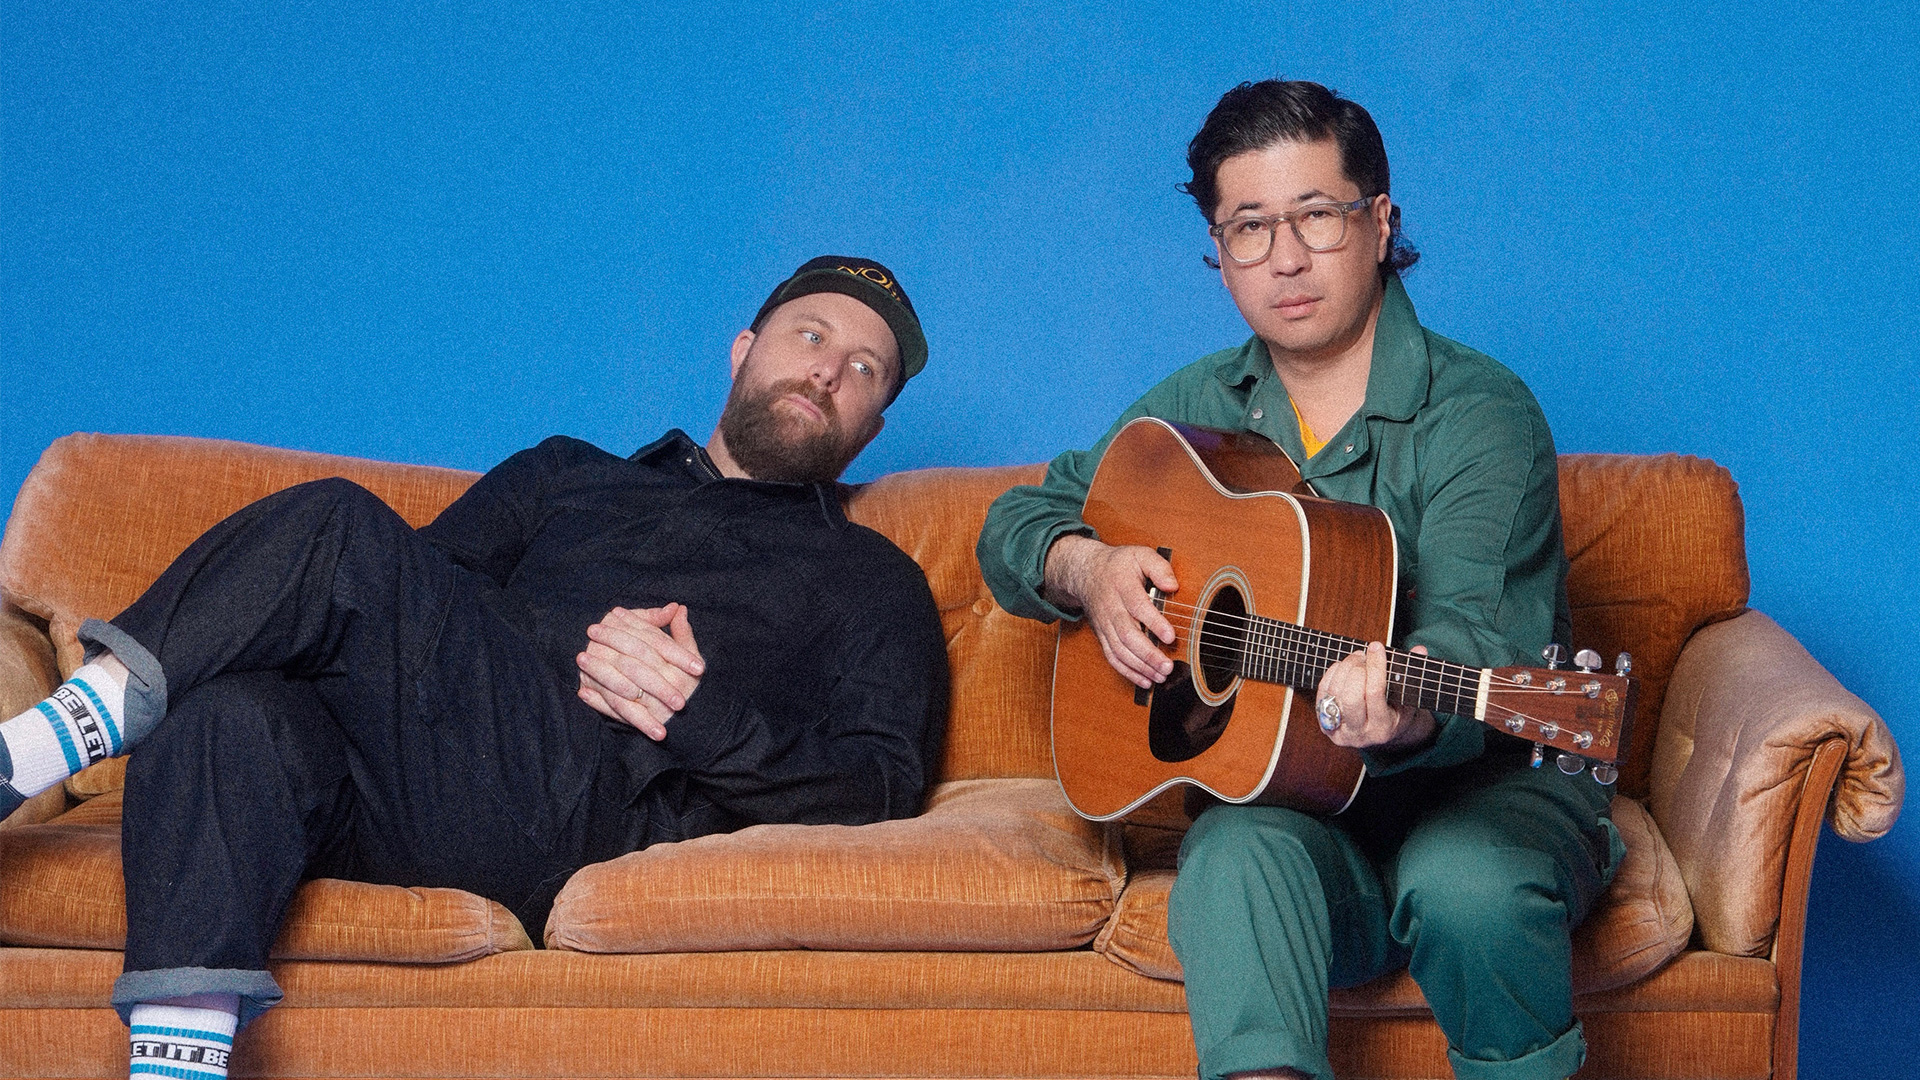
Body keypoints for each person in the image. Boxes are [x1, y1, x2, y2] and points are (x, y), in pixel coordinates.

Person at [0, 256, 949, 1080]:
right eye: (810, 334)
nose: (827, 370)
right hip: (413, 787)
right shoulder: (565, 474)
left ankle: (24, 758)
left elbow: (883, 786)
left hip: (586, 817)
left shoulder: (874, 579)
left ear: (870, 426)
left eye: (864, 368)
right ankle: (174, 1061)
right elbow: (393, 603)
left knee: (338, 523)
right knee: (227, 718)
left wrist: (696, 711)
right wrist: (526, 646)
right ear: (743, 350)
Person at [976, 82, 1620, 1080]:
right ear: (1217, 249)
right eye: (1248, 227)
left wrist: (1405, 706)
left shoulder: (1482, 412)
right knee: (1230, 860)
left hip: (1487, 797)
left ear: (1380, 221)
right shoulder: (1189, 414)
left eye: (1317, 214)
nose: (1285, 258)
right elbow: (1018, 522)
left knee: (1466, 884)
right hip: (1302, 821)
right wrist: (1087, 566)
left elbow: (1479, 632)